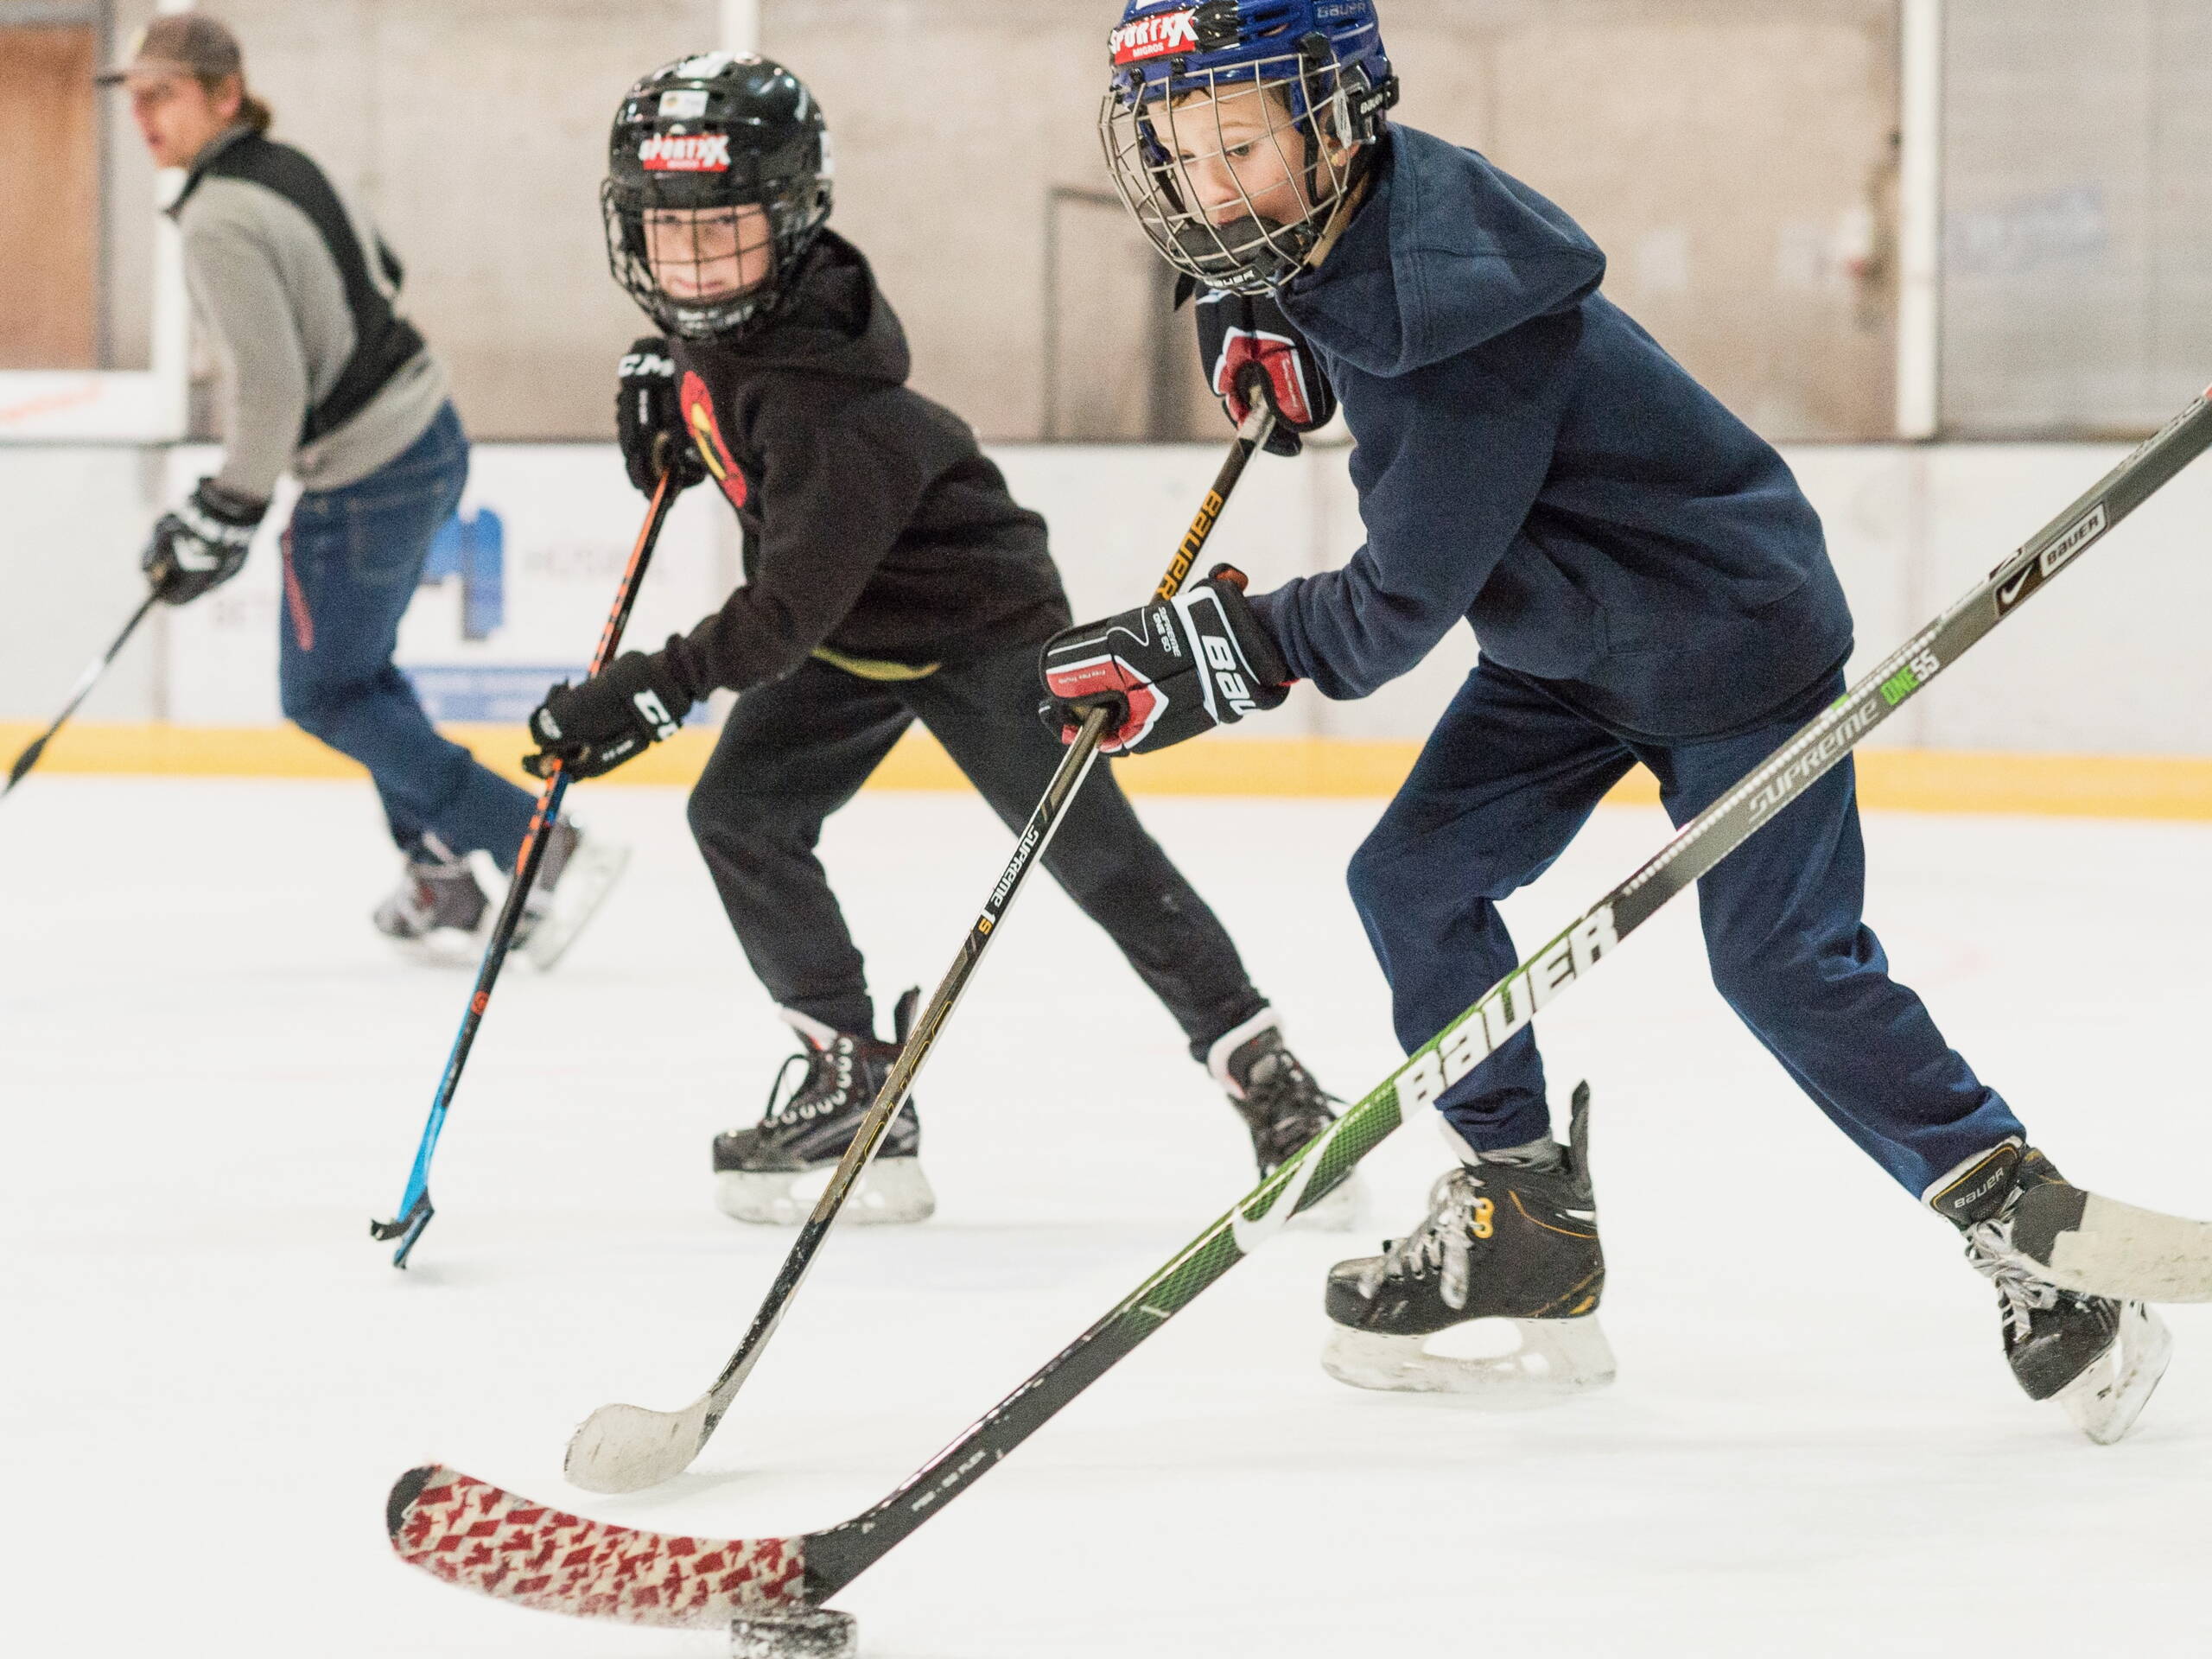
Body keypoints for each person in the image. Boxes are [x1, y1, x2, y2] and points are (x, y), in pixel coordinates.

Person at [1045, 0, 2169, 1440]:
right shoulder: (1350, 226)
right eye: (1182, 148)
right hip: (1567, 647)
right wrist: (1274, 319)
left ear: (1334, 122)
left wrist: (1215, 650)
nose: (1208, 185)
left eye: (1241, 143)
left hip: (1725, 643)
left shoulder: (1461, 324)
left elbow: (1391, 613)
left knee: (1779, 966)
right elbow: (1346, 304)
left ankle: (2022, 1225)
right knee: (1413, 882)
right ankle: (1523, 1217)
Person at [524, 52, 1351, 1227]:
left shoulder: (834, 406)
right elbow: (726, 381)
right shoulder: (749, 322)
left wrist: (644, 693)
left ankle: (1264, 1072)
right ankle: (857, 1081)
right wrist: (672, 377)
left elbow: (777, 620)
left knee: (1092, 853)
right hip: (849, 632)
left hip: (977, 631)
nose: (698, 267)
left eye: (729, 234)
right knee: (741, 816)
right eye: (671, 236)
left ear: (795, 219)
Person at [102, 13, 624, 967]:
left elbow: (270, 388)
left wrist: (228, 507)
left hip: (366, 471)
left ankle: (536, 841)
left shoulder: (217, 216)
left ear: (224, 93)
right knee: (359, 673)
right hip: (427, 431)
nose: (143, 115)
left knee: (325, 694)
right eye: (134, 96)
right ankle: (440, 873)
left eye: (163, 93)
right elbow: (385, 268)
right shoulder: (288, 165)